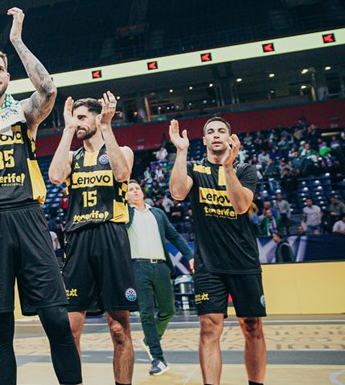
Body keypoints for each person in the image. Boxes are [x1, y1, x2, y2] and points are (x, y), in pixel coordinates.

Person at [0, 10, 81, 385]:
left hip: (27, 216)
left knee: (57, 319)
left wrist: (17, 41)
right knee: (0, 330)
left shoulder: (22, 112)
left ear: (8, 77)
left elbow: (48, 91)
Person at [168, 117, 267, 385]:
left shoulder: (245, 170)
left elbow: (241, 206)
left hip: (244, 260)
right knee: (209, 327)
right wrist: (181, 151)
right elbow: (177, 193)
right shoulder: (194, 168)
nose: (215, 135)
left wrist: (228, 167)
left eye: (221, 131)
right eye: (210, 131)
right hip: (208, 264)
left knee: (252, 327)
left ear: (230, 138)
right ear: (204, 140)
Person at [49, 94, 137, 385]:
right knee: (70, 329)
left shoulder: (122, 150)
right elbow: (55, 177)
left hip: (111, 235)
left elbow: (122, 174)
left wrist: (107, 127)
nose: (77, 123)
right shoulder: (72, 157)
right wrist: (67, 129)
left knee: (119, 329)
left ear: (98, 118)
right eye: (74, 118)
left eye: (82, 117)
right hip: (78, 239)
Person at [124, 180, 195, 376]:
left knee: (168, 310)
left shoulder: (158, 213)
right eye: (130, 190)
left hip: (162, 267)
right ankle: (158, 358)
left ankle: (150, 340)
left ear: (142, 192)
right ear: (126, 196)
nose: (135, 191)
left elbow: (175, 236)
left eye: (137, 188)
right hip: (138, 267)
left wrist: (190, 255)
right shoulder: (125, 214)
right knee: (146, 312)